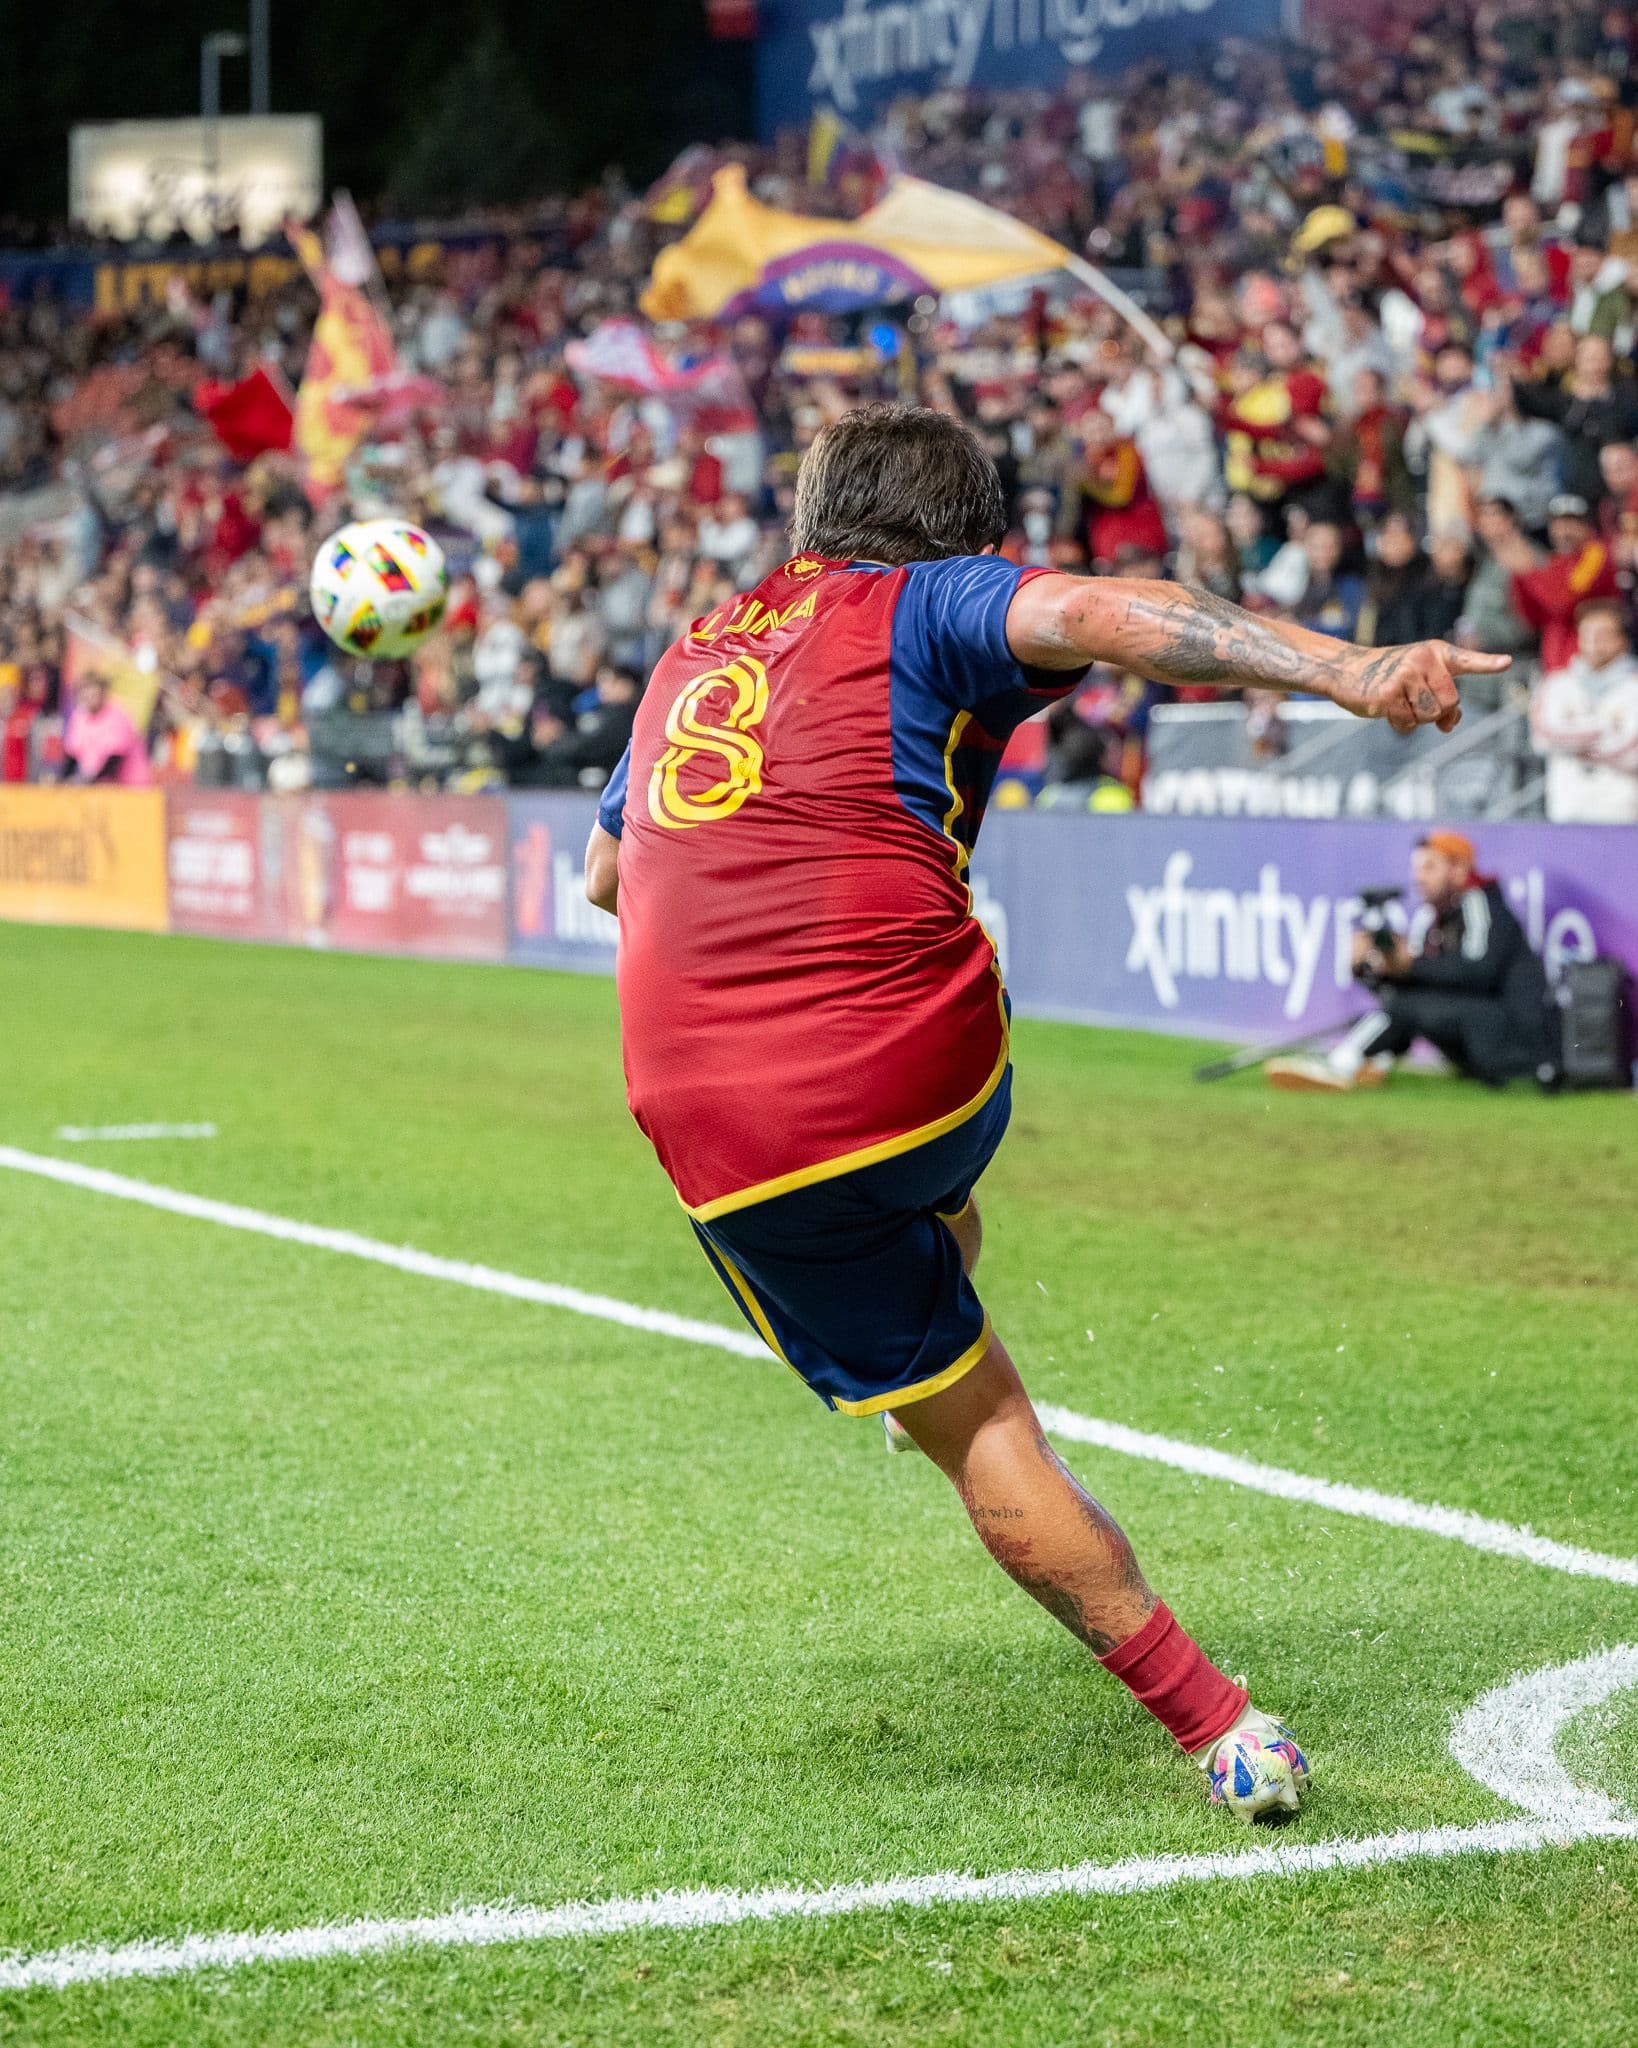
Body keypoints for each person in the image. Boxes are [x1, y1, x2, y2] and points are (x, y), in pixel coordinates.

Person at [584, 405, 1503, 1822]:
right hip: (909, 1060)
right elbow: (1107, 613)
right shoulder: (929, 599)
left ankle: (1222, 1729)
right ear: (967, 538)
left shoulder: (694, 651)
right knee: (936, 1174)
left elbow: (604, 880)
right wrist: (1350, 668)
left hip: (709, 1124)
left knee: (973, 1424)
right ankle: (946, 1264)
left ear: (811, 520)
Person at [1267, 832, 1548, 1093]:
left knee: (1409, 1006)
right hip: (1480, 1036)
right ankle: (1367, 1061)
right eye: (1417, 868)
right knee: (1405, 1002)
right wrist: (1371, 968)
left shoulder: (1479, 902)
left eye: (1430, 867)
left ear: (1459, 870)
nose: (1419, 877)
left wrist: (1409, 965)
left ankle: (1340, 1065)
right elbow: (1413, 985)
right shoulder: (1432, 916)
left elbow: (1479, 972)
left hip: (1514, 1041)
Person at [1530, 600, 1638, 822]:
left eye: (1603, 633)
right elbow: (1543, 737)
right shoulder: (1557, 683)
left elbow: (1633, 751)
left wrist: (1573, 733)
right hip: (1567, 806)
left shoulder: (1633, 686)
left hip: (1622, 810)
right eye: (1587, 633)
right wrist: (1606, 725)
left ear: (1622, 640)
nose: (1594, 641)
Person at [59, 674, 151, 786]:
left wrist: (90, 781)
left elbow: (115, 758)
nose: (90, 698)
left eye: (94, 695)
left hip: (128, 783)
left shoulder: (117, 714)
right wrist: (65, 780)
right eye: (86, 695)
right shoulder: (80, 716)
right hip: (96, 783)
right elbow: (73, 755)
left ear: (103, 693)